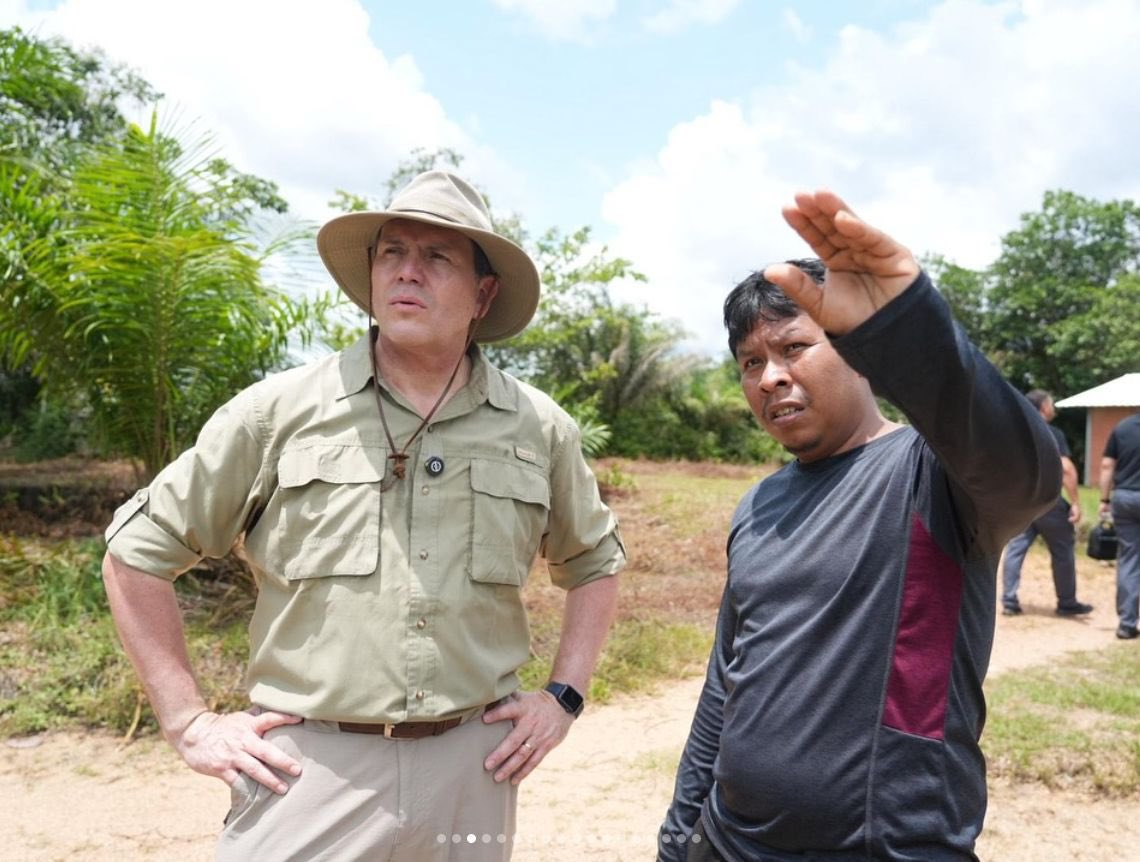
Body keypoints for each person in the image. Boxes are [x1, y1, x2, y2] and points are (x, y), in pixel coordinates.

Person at [101, 170, 626, 861]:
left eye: (437, 257)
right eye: (391, 253)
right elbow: (137, 550)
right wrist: (188, 721)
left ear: (484, 293)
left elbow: (595, 562)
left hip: (475, 772)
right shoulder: (279, 413)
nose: (408, 273)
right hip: (310, 771)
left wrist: (562, 698)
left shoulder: (538, 428)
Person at [657, 190, 1060, 862]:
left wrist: (908, 329)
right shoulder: (756, 506)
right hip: (727, 844)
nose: (771, 378)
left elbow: (1025, 470)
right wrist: (680, 838)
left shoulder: (934, 475)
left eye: (794, 347)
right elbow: (726, 682)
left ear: (853, 349)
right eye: (751, 363)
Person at [1000, 389, 1093, 617]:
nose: (1054, 408)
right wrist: (1075, 502)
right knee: (1062, 551)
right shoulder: (1051, 433)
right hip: (1048, 502)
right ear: (1043, 408)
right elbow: (1068, 470)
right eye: (1051, 404)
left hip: (1020, 501)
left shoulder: (1013, 434)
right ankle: (1067, 602)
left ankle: (1009, 600)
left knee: (1015, 550)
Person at [1098, 410, 1140, 640]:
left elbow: (1106, 466)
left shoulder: (1122, 427)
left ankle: (1126, 623)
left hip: (1124, 498)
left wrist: (1104, 500)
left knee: (1129, 560)